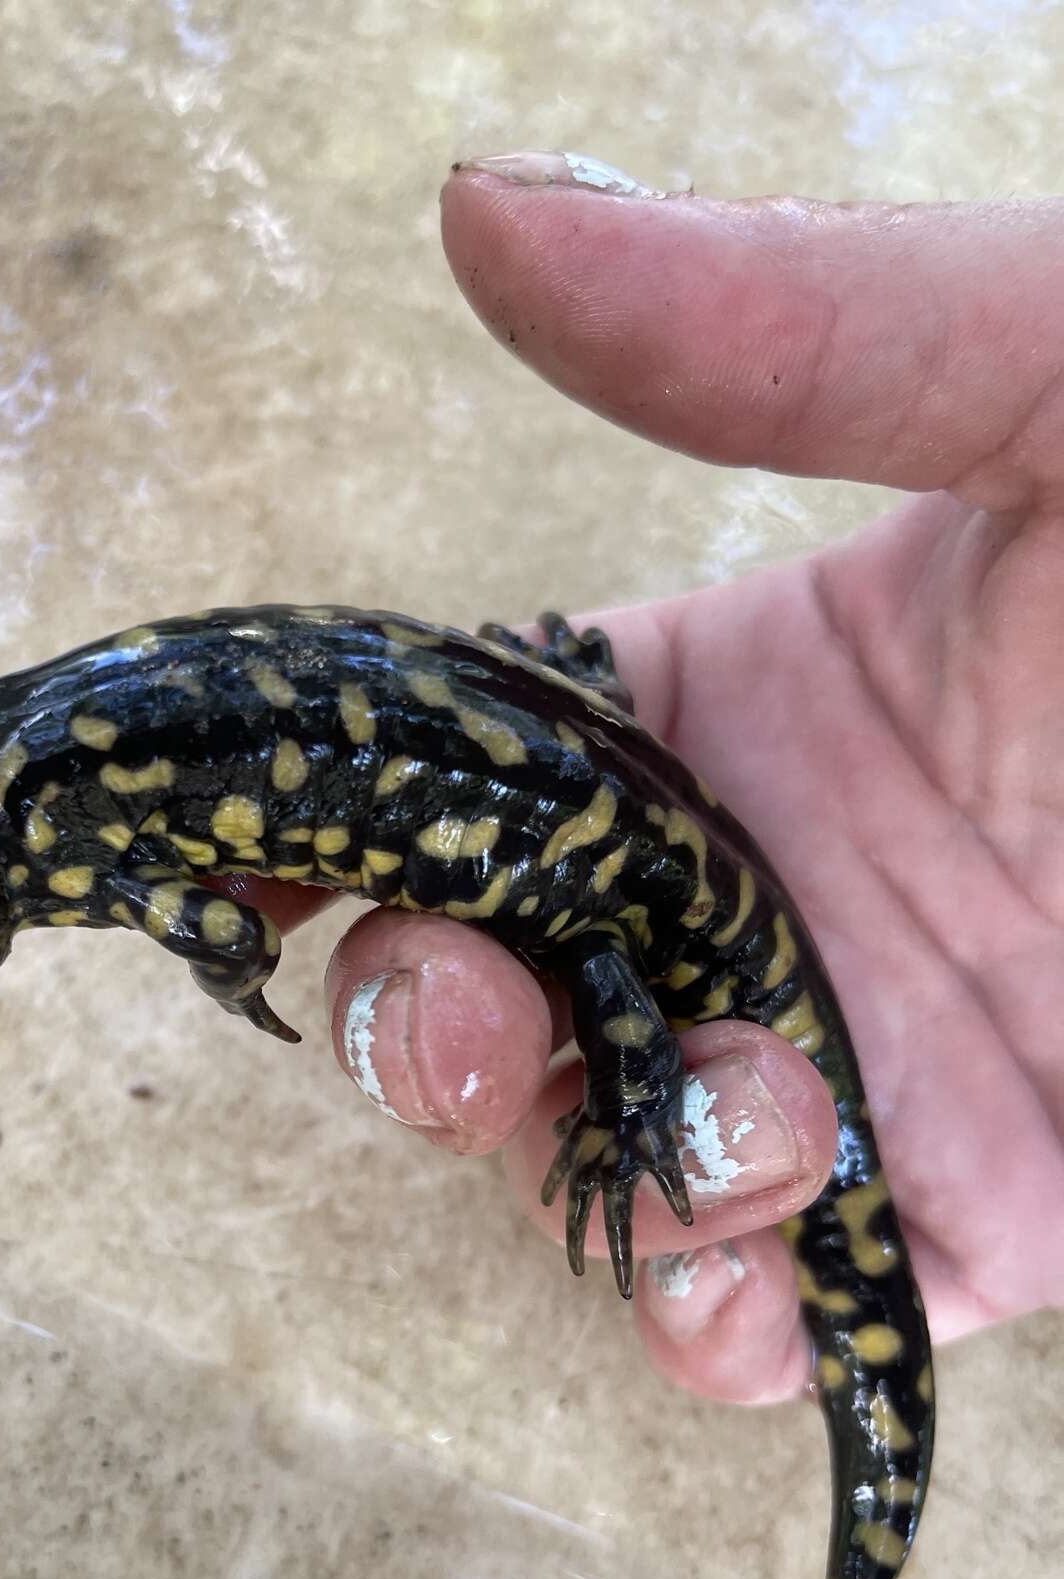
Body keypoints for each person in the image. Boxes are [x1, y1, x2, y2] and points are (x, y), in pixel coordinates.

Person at [243, 156, 1064, 1406]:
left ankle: (660, 1127)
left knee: (613, 1022)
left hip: (660, 888)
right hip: (657, 872)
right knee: (602, 1020)